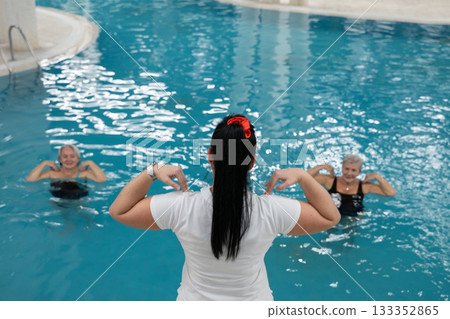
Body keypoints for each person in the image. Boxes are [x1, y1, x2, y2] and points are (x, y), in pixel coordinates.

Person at [109, 114, 340, 301]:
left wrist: (152, 170)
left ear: (210, 156)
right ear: (251, 163)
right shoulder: (272, 210)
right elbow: (330, 217)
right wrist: (302, 176)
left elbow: (120, 211)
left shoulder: (181, 206)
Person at [307, 154, 396, 216]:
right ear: (342, 168)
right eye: (346, 169)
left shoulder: (365, 186)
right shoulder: (329, 181)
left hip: (354, 216)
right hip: (332, 214)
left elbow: (390, 193)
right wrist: (321, 166)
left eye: (354, 170)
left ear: (359, 172)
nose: (349, 173)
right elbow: (304, 178)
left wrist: (378, 177)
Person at [27, 144, 107, 198]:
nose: (69, 159)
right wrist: (45, 163)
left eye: (72, 156)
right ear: (60, 159)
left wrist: (91, 163)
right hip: (58, 200)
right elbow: (30, 179)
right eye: (65, 156)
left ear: (78, 159)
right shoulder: (53, 173)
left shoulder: (83, 174)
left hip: (79, 200)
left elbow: (102, 180)